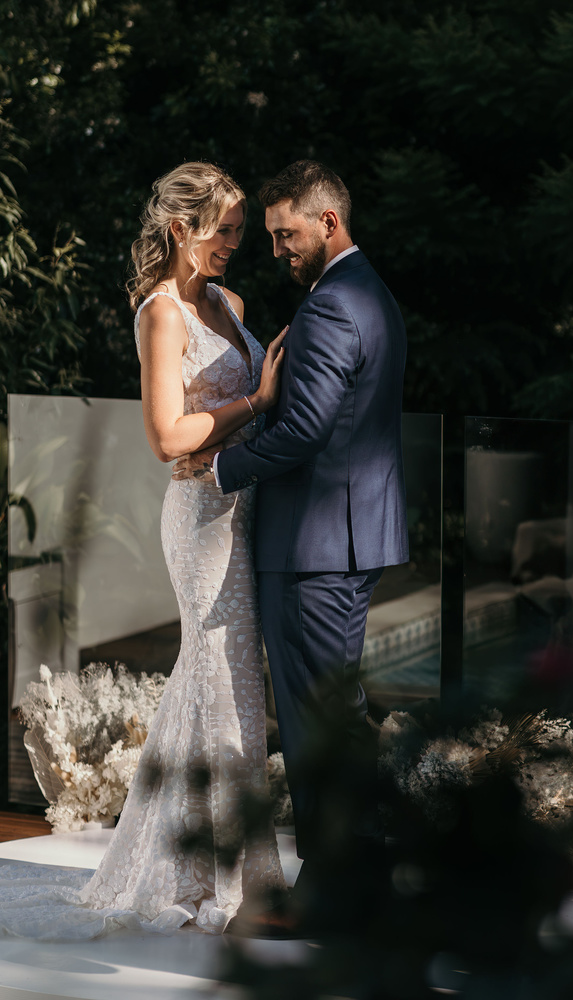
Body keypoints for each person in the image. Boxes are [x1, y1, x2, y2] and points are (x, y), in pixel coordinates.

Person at [0, 162, 288, 940]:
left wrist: (249, 427)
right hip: (200, 520)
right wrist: (256, 400)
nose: (233, 244)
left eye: (238, 231)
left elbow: (219, 427)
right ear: (179, 229)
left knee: (222, 685)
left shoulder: (230, 303)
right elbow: (166, 437)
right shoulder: (160, 313)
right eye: (222, 231)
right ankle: (235, 884)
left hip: (245, 508)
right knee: (224, 688)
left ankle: (193, 863)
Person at [172, 160, 409, 934]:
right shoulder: (367, 292)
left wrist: (221, 469)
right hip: (342, 541)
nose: (276, 250)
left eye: (286, 234)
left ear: (327, 222)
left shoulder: (333, 305)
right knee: (330, 718)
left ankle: (334, 900)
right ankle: (361, 888)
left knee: (317, 727)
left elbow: (306, 430)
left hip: (315, 548)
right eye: (270, 236)